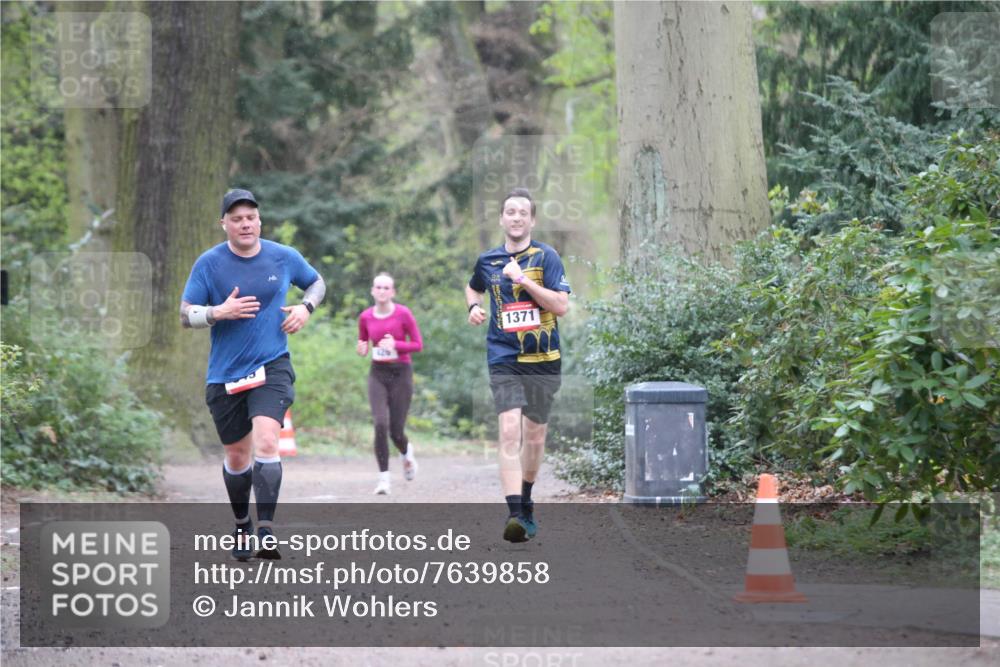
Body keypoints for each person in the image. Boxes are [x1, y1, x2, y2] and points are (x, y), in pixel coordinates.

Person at [180, 188, 325, 561]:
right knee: (237, 455)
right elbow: (185, 315)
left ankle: (266, 530)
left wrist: (306, 308)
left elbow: (316, 282)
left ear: (259, 221)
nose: (245, 224)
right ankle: (243, 524)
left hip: (272, 365)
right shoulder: (209, 264)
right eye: (237, 219)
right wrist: (217, 312)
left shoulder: (283, 256)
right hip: (225, 374)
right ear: (224, 224)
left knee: (266, 442)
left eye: (251, 218)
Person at [465, 188, 571, 542]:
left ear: (532, 220)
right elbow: (472, 288)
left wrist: (523, 280)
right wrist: (473, 307)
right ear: (501, 218)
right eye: (510, 212)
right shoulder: (488, 261)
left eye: (522, 213)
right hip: (503, 354)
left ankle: (526, 499)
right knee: (510, 429)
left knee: (535, 436)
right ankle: (513, 515)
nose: (516, 217)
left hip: (543, 358)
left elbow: (561, 306)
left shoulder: (547, 257)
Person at [356, 272, 423, 495]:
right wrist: (362, 347)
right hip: (378, 373)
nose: (382, 291)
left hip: (401, 373)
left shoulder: (403, 314)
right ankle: (384, 479)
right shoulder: (365, 316)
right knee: (379, 423)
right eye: (378, 287)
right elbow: (363, 340)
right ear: (372, 291)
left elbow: (417, 344)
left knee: (396, 431)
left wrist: (396, 344)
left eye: (386, 288)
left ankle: (406, 452)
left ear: (392, 292)